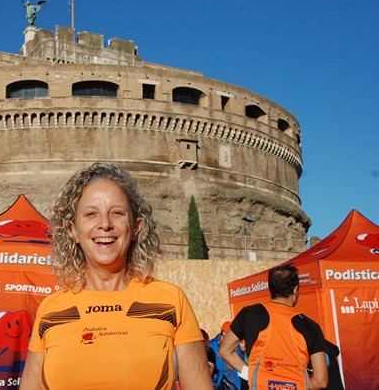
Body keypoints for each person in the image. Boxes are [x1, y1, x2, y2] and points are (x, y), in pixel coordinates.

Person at [20, 163, 212, 390]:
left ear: (136, 227)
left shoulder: (171, 301)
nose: (105, 225)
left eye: (117, 213)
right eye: (91, 214)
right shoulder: (51, 309)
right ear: (73, 230)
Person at [218, 265, 328, 390]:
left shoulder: (250, 314)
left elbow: (224, 351)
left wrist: (252, 375)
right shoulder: (310, 326)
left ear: (270, 289)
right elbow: (320, 381)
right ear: (295, 290)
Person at [209, 321, 245, 390]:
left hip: (236, 386)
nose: (233, 338)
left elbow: (243, 366)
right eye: (231, 335)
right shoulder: (212, 347)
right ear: (224, 333)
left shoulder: (237, 347)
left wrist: (243, 351)